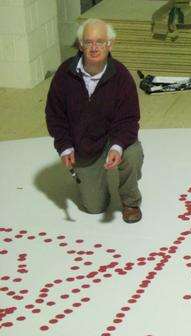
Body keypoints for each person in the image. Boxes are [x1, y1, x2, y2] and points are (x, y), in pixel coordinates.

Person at [45, 18, 144, 223]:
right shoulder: (65, 74)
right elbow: (55, 115)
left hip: (112, 138)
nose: (94, 47)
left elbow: (129, 119)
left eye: (100, 41)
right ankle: (93, 181)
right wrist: (64, 146)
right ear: (81, 45)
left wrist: (117, 147)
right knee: (94, 208)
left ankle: (130, 201)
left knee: (132, 152)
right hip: (84, 144)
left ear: (110, 44)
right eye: (88, 42)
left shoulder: (121, 76)